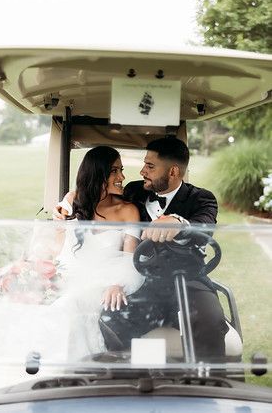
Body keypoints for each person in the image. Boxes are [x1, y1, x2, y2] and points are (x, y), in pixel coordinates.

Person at [54, 137, 228, 363]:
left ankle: (208, 385)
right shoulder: (136, 191)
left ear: (173, 171)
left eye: (150, 166)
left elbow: (204, 225)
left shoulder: (201, 198)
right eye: (144, 164)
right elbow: (95, 191)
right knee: (111, 317)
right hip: (147, 283)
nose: (142, 171)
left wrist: (178, 222)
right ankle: (126, 379)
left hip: (188, 281)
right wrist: (69, 199)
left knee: (209, 320)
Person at [52, 145, 144, 361]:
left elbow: (130, 259)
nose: (122, 176)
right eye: (115, 171)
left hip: (103, 284)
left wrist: (117, 283)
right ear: (96, 173)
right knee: (62, 302)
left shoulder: (128, 211)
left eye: (121, 169)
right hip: (69, 278)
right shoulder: (71, 200)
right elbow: (58, 249)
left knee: (70, 305)